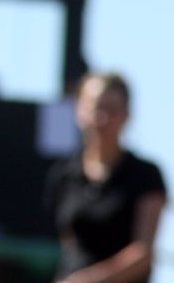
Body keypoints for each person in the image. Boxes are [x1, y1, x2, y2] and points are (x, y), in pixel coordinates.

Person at [44, 72, 167, 283]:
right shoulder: (64, 175)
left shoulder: (146, 175)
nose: (102, 118)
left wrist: (89, 280)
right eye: (95, 107)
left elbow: (143, 253)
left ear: (127, 115)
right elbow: (63, 242)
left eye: (111, 110)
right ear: (79, 111)